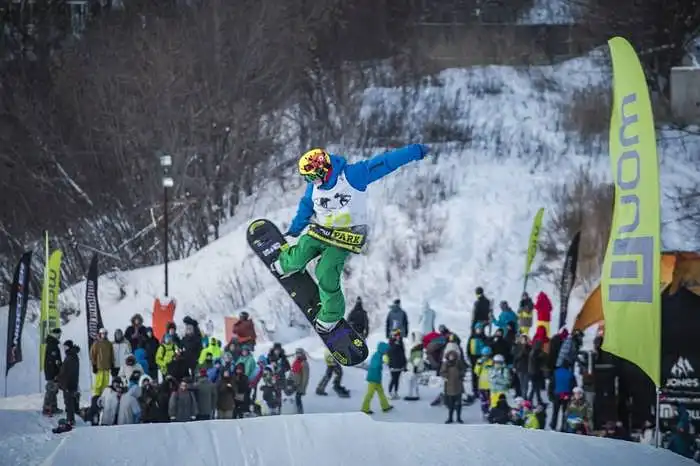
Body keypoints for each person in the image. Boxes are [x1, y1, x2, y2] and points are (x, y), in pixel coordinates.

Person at [271, 144, 429, 333]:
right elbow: (307, 205)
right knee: (303, 250)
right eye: (306, 178)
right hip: (322, 230)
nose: (310, 182)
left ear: (324, 171)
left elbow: (385, 163)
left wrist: (414, 152)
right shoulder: (313, 187)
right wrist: (296, 228)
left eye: (312, 177)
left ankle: (331, 315)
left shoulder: (352, 176)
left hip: (346, 236)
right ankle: (286, 263)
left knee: (326, 271)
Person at [56, 340, 80, 426]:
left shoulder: (71, 357)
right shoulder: (71, 355)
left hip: (69, 384)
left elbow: (67, 372)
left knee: (69, 402)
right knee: (69, 402)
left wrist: (64, 383)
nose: (65, 349)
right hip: (70, 383)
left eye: (66, 347)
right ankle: (70, 418)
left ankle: (70, 420)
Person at [42, 327, 63, 416]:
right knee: (51, 390)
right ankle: (47, 408)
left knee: (54, 390)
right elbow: (52, 361)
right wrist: (54, 374)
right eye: (59, 335)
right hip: (52, 372)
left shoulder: (52, 344)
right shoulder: (52, 345)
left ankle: (53, 407)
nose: (60, 336)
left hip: (53, 372)